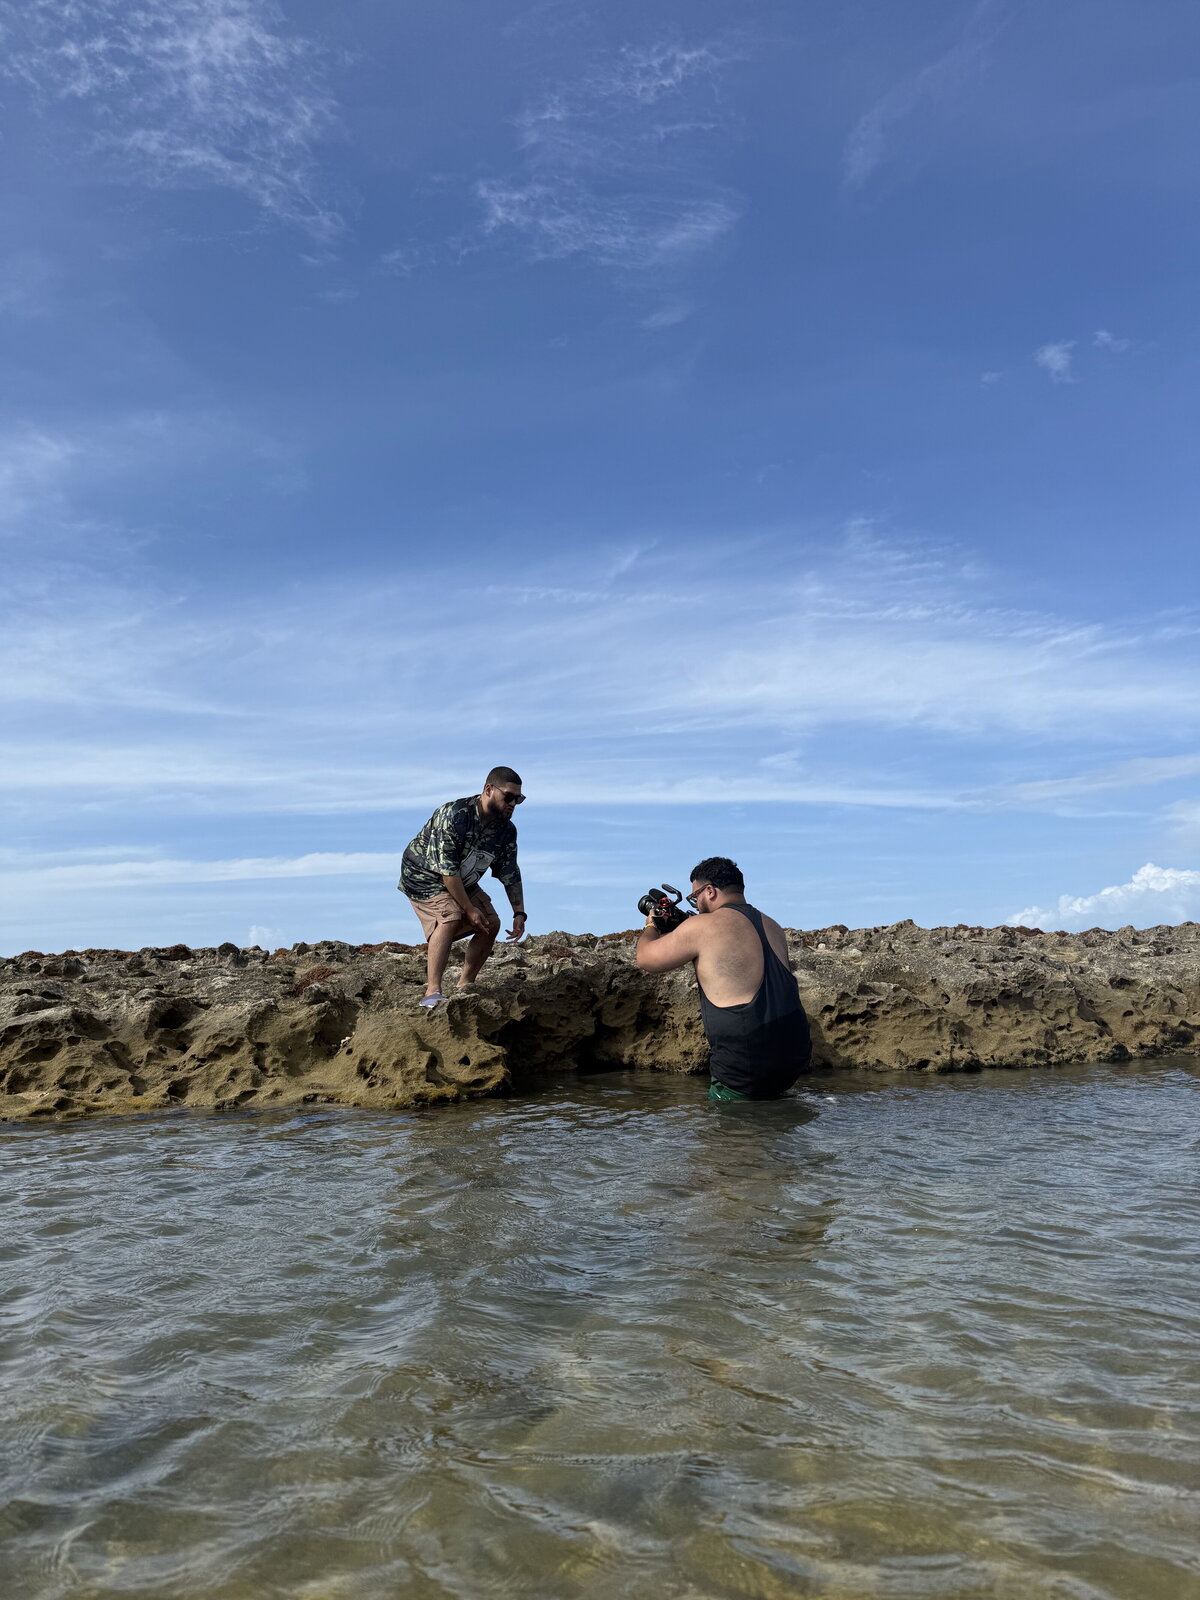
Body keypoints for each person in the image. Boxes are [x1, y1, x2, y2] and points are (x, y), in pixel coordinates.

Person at [635, 856, 811, 1101]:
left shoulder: (701, 925)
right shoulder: (773, 926)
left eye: (694, 897)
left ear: (710, 891)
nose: (695, 905)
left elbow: (646, 958)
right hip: (794, 1059)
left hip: (743, 1066)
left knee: (726, 1134)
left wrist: (650, 926)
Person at [399, 767, 527, 1005]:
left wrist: (519, 912)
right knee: (451, 915)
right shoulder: (456, 815)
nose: (513, 803)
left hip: (462, 878)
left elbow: (510, 872)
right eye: (508, 796)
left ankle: (465, 985)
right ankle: (432, 992)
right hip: (423, 875)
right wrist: (469, 908)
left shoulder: (506, 831)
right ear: (489, 790)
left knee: (491, 923)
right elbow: (447, 872)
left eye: (518, 799)